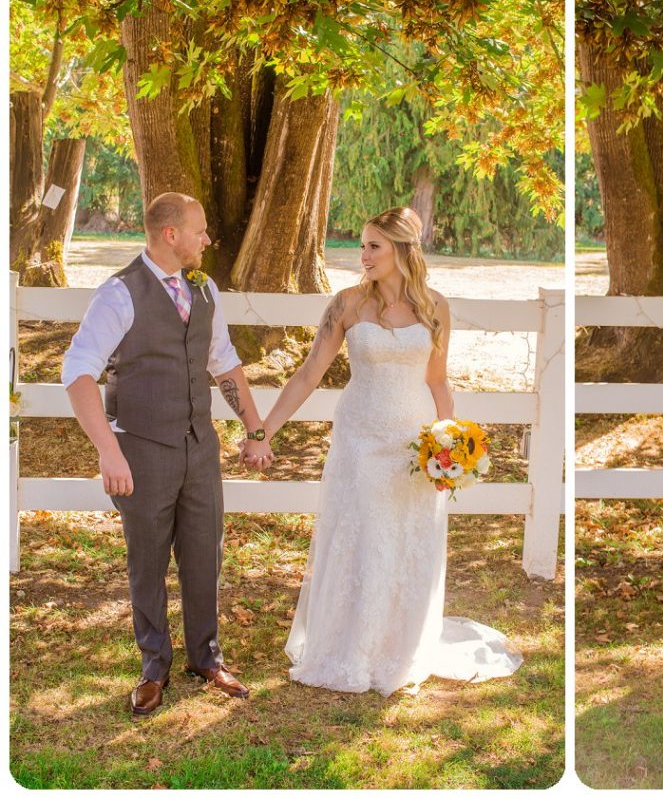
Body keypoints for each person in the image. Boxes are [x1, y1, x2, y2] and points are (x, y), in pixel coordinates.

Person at [256, 206, 522, 694]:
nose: (363, 256)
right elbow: (309, 372)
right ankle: (348, 648)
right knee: (361, 536)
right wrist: (265, 430)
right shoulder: (346, 305)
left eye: (373, 246)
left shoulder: (434, 306)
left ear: (402, 250)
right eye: (361, 246)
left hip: (415, 446)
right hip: (359, 438)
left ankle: (400, 647)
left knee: (404, 539)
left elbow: (438, 380)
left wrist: (454, 444)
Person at [62, 192, 269, 716]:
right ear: (170, 234)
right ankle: (154, 666)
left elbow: (224, 361)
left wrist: (254, 428)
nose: (207, 239)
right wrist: (108, 451)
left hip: (200, 447)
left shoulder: (206, 290)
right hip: (142, 450)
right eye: (199, 231)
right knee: (147, 562)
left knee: (205, 554)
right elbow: (77, 371)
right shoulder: (119, 294)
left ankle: (207, 656)